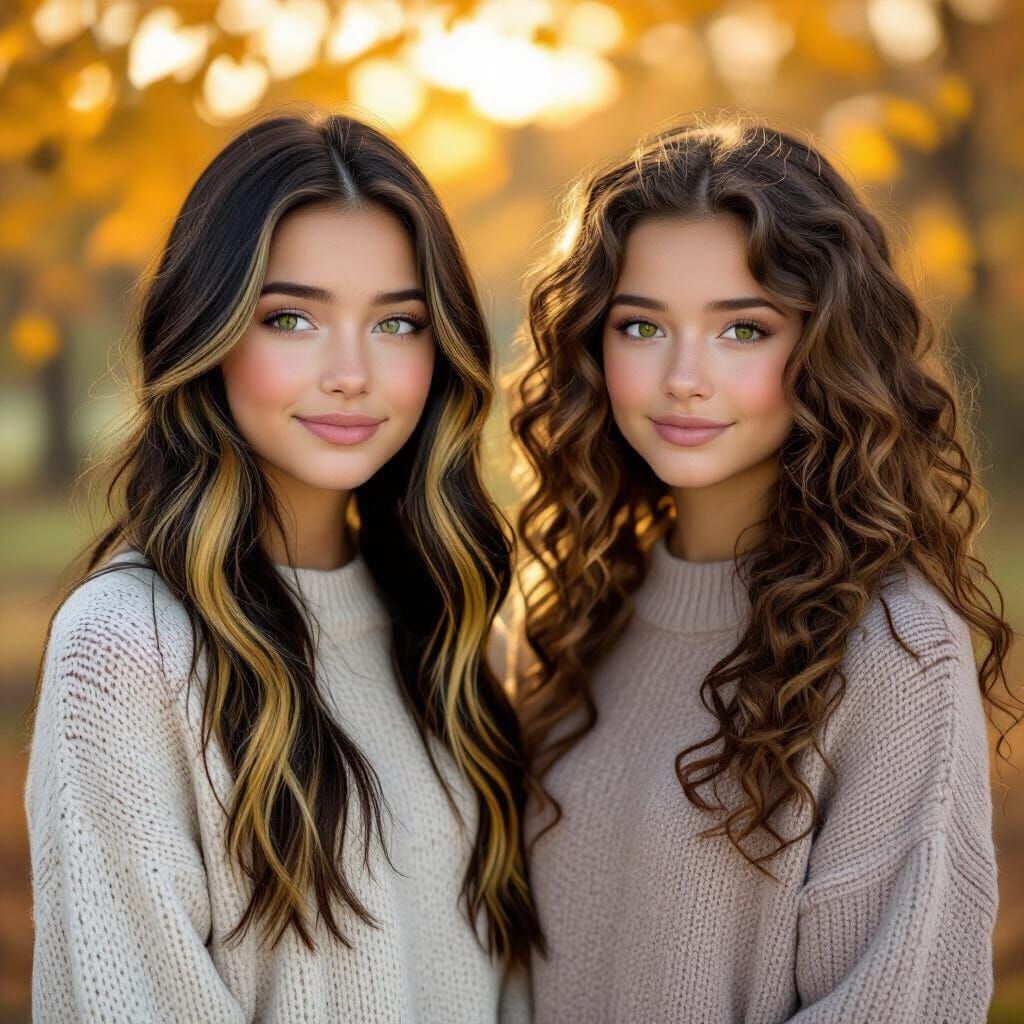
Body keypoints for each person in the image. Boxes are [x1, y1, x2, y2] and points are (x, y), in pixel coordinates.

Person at [25, 110, 539, 1023]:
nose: (351, 372)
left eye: (397, 323)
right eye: (291, 318)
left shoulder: (453, 629)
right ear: (209, 333)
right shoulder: (126, 649)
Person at [510, 117, 1019, 1023]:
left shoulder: (892, 647)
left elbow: (894, 1004)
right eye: (641, 326)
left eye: (743, 330)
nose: (683, 378)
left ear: (823, 349)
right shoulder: (571, 615)